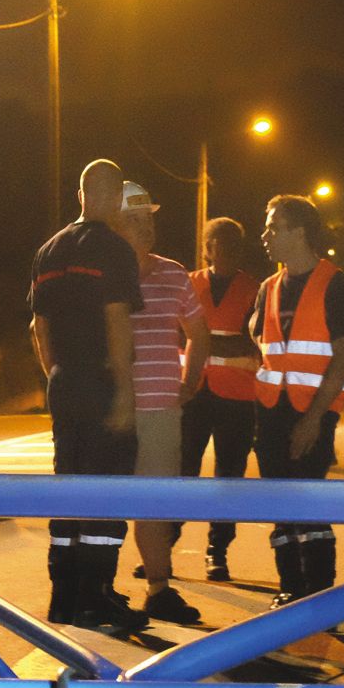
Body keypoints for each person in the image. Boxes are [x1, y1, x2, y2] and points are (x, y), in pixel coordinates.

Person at [29, 158, 145, 634]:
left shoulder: (49, 251)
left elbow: (39, 327)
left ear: (81, 194)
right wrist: (123, 392)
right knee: (106, 489)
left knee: (68, 486)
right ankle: (96, 600)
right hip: (100, 383)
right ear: (113, 196)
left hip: (63, 381)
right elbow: (117, 320)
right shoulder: (114, 250)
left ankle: (65, 597)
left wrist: (56, 375)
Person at [251, 195, 344, 607]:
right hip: (270, 413)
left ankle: (319, 596)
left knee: (310, 505)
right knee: (279, 506)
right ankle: (290, 588)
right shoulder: (268, 287)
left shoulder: (338, 285)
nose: (265, 236)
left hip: (311, 412)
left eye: (273, 227)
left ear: (300, 232)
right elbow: (260, 341)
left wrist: (314, 419)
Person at [108, 181, 208, 624]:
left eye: (148, 216)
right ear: (114, 224)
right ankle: (101, 590)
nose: (146, 226)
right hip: (111, 409)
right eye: (134, 219)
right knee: (107, 504)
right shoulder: (102, 275)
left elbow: (199, 332)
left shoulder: (173, 273)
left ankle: (159, 589)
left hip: (161, 409)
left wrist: (190, 382)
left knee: (156, 503)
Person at [177, 216, 260, 580]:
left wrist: (204, 338)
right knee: (181, 472)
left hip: (238, 395)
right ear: (207, 247)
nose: (226, 250)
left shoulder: (255, 289)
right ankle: (163, 546)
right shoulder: (188, 284)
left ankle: (217, 550)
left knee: (229, 477)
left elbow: (255, 340)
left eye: (233, 244)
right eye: (219, 243)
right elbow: (176, 336)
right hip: (192, 390)